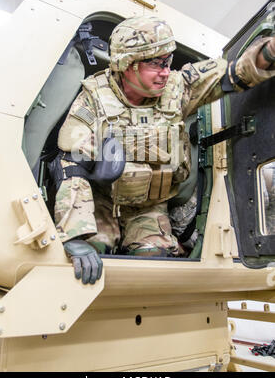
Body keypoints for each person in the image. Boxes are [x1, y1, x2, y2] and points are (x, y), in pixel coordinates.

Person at [51, 16, 275, 284]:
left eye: (168, 62)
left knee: (153, 264)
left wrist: (269, 52)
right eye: (156, 64)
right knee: (89, 261)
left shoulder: (177, 88)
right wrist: (75, 234)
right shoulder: (94, 99)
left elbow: (233, 73)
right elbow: (71, 166)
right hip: (102, 204)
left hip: (149, 207)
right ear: (126, 64)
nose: (166, 71)